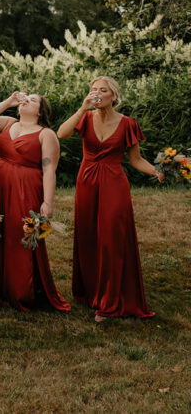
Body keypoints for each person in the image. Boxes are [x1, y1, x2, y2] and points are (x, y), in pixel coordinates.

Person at [58, 76, 162, 321]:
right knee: (88, 235)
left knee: (111, 237)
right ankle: (91, 291)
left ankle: (110, 301)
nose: (97, 93)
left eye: (102, 90)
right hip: (87, 182)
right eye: (93, 89)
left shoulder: (128, 123)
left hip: (114, 183)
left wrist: (156, 171)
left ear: (113, 96)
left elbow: (135, 160)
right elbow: (62, 134)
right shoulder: (85, 117)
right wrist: (83, 107)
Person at [0, 92, 70, 312]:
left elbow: (49, 170)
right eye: (25, 98)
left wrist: (47, 202)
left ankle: (22, 290)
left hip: (26, 188)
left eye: (34, 100)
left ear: (40, 111)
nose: (27, 100)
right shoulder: (8, 123)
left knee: (20, 235)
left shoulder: (45, 134)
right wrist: (8, 102)